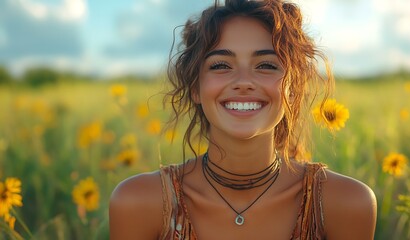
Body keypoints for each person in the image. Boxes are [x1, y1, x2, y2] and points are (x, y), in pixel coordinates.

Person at [109, 0, 377, 239]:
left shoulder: (345, 204)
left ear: (293, 88)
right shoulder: (140, 202)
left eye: (266, 65)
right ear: (195, 88)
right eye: (221, 65)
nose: (244, 82)